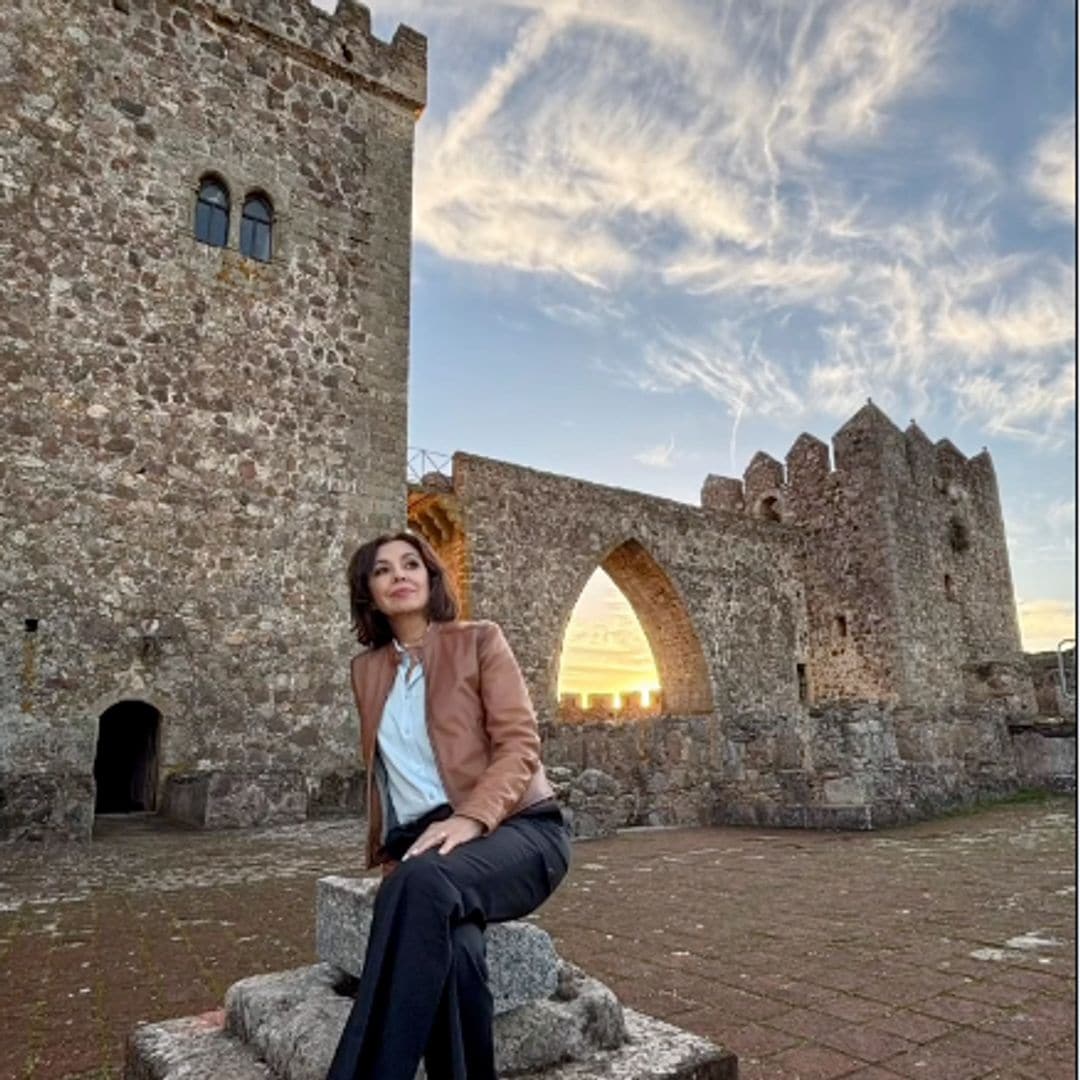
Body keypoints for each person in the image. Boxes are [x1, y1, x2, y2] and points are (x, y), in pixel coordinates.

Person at [327, 531, 571, 1080]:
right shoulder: (365, 672)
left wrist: (470, 816)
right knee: (456, 954)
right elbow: (392, 778)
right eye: (382, 570)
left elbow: (519, 746)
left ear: (432, 577)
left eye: (412, 563)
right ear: (368, 592)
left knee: (419, 887)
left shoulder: (480, 640)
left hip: (519, 830)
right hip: (431, 849)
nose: (399, 575)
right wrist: (401, 851)